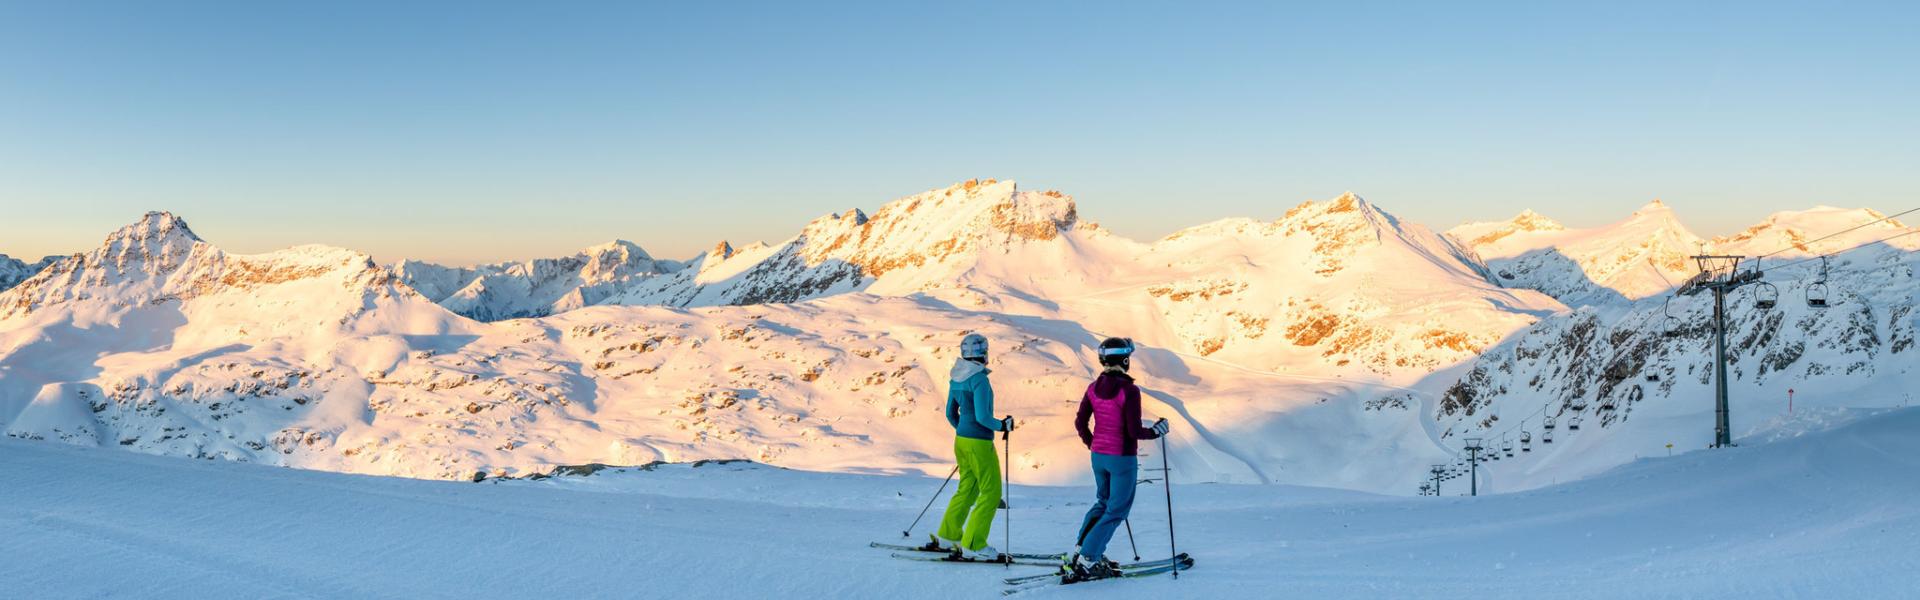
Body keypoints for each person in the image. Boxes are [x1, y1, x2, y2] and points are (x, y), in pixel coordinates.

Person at [1066, 337, 1170, 580]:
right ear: (1125, 360)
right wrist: (1156, 431)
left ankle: (1082, 549)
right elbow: (1133, 431)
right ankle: (1089, 559)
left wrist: (1093, 444)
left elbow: (1080, 422)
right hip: (1122, 458)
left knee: (1102, 502)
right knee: (1117, 510)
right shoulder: (1129, 391)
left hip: (1098, 456)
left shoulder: (1092, 388)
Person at [926, 332, 1015, 561]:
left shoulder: (956, 377)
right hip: (979, 442)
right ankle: (974, 544)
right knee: (991, 492)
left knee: (967, 488)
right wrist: (1003, 425)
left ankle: (948, 536)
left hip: (961, 440)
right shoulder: (979, 380)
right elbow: (984, 417)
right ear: (984, 353)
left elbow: (950, 413)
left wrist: (963, 430)